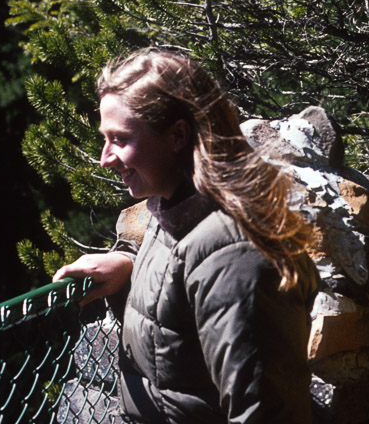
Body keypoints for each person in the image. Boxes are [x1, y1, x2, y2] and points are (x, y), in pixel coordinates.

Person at [54, 48, 318, 424]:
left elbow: (265, 410)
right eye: (104, 138)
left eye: (120, 139)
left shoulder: (234, 252)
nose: (105, 158)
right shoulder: (175, 214)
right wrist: (128, 266)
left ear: (178, 135)